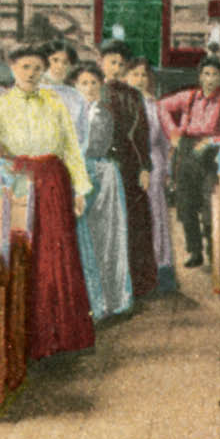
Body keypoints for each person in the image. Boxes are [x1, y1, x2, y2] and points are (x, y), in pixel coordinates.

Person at [0, 45, 94, 358]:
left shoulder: (55, 101)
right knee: (25, 254)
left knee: (55, 256)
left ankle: (61, 337)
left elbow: (70, 147)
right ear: (12, 69)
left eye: (37, 68)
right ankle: (23, 340)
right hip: (18, 180)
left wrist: (79, 189)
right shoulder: (0, 105)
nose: (31, 74)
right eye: (25, 67)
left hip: (53, 181)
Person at [158, 56, 220, 268]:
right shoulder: (189, 97)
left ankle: (214, 252)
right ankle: (194, 251)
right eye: (206, 74)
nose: (210, 79)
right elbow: (161, 106)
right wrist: (172, 131)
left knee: (209, 206)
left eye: (214, 74)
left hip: (209, 157)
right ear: (200, 77)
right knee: (185, 205)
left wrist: (212, 141)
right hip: (186, 152)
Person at [68, 63, 132, 320]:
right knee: (82, 237)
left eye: (94, 83)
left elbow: (92, 146)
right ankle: (89, 301)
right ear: (75, 87)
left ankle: (111, 300)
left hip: (100, 176)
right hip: (78, 174)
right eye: (84, 83)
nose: (90, 88)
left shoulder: (102, 113)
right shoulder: (70, 112)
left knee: (105, 235)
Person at [98, 38, 156, 298]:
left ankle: (138, 285)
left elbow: (142, 132)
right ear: (102, 63)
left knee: (135, 223)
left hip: (131, 166)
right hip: (104, 165)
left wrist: (145, 167)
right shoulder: (94, 90)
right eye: (112, 62)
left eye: (121, 63)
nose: (116, 67)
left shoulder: (133, 95)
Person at [125, 56, 176, 290]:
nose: (139, 79)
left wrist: (166, 169)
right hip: (130, 164)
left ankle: (160, 267)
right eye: (134, 74)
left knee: (155, 214)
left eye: (143, 75)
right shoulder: (123, 103)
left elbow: (165, 140)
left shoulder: (154, 105)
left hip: (153, 162)